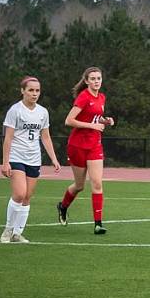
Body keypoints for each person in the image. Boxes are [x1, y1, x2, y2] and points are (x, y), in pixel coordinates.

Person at [0, 76, 61, 243]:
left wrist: (54, 158)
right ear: (23, 91)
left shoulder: (43, 112)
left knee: (27, 196)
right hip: (16, 156)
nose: (34, 94)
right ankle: (8, 229)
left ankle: (17, 233)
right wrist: (5, 162)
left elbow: (46, 137)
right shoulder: (15, 110)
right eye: (31, 90)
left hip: (34, 158)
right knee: (19, 193)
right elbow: (8, 138)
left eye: (37, 90)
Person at [56, 66, 114, 234]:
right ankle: (63, 206)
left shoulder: (102, 97)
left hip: (95, 145)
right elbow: (69, 120)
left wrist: (105, 121)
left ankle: (98, 224)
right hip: (77, 146)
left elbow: (95, 117)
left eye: (99, 78)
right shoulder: (83, 97)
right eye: (93, 79)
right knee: (80, 185)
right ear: (87, 81)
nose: (97, 81)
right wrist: (92, 125)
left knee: (97, 183)